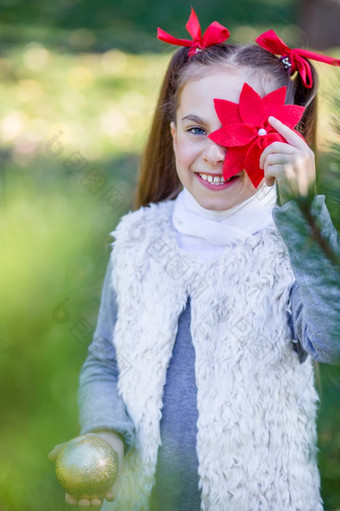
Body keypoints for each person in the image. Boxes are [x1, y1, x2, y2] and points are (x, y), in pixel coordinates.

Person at [48, 9, 340, 511]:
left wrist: (306, 211)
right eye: (197, 129)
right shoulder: (138, 239)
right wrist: (105, 436)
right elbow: (104, 361)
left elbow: (333, 339)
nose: (217, 155)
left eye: (241, 136)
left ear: (282, 143)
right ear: (172, 132)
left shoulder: (290, 251)